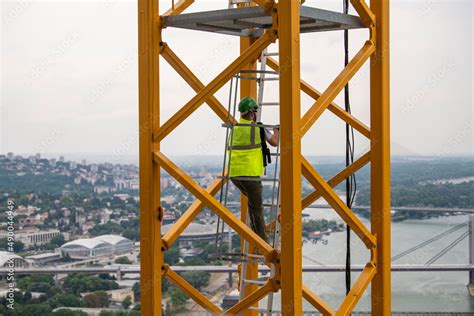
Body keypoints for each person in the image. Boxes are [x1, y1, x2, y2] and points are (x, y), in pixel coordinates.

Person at [228, 97, 279, 243]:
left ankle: (254, 232)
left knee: (252, 203)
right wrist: (276, 131)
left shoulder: (235, 128)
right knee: (257, 208)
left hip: (235, 175)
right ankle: (262, 242)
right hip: (250, 175)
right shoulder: (258, 128)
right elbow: (275, 142)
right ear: (252, 113)